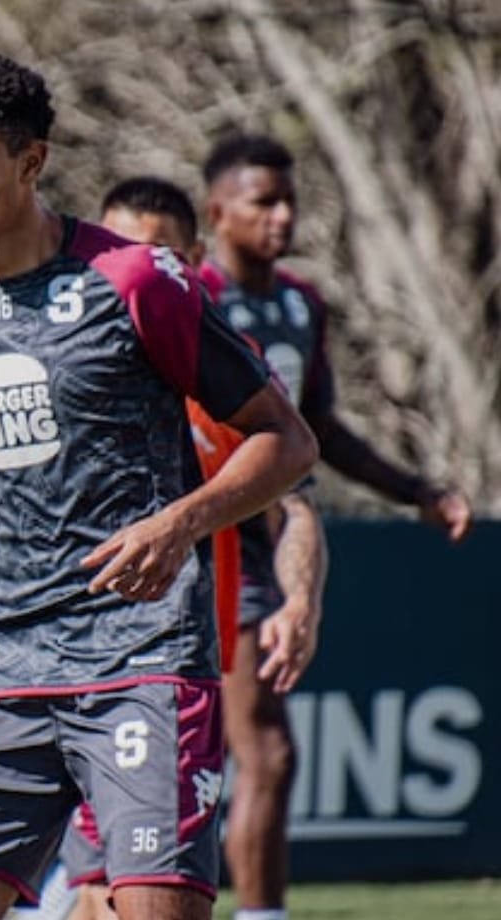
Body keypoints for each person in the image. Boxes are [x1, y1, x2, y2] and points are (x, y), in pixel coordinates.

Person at [0, 53, 317, 920]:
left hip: (142, 667)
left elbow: (287, 443)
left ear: (31, 164)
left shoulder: (137, 281)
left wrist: (181, 524)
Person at [200, 133, 473, 920]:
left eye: (289, 200)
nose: (282, 215)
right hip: (209, 539)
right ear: (219, 211)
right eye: (263, 201)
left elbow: (317, 428)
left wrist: (415, 488)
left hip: (280, 537)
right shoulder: (190, 296)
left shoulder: (300, 306)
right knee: (249, 754)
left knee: (268, 754)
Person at [58, 175, 329, 920]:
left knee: (133, 886)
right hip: (61, 659)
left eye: (159, 256)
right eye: (121, 253)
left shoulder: (220, 370)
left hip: (176, 665)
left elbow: (297, 497)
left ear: (193, 260)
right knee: (94, 886)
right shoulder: (61, 360)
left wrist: (300, 597)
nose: (139, 273)